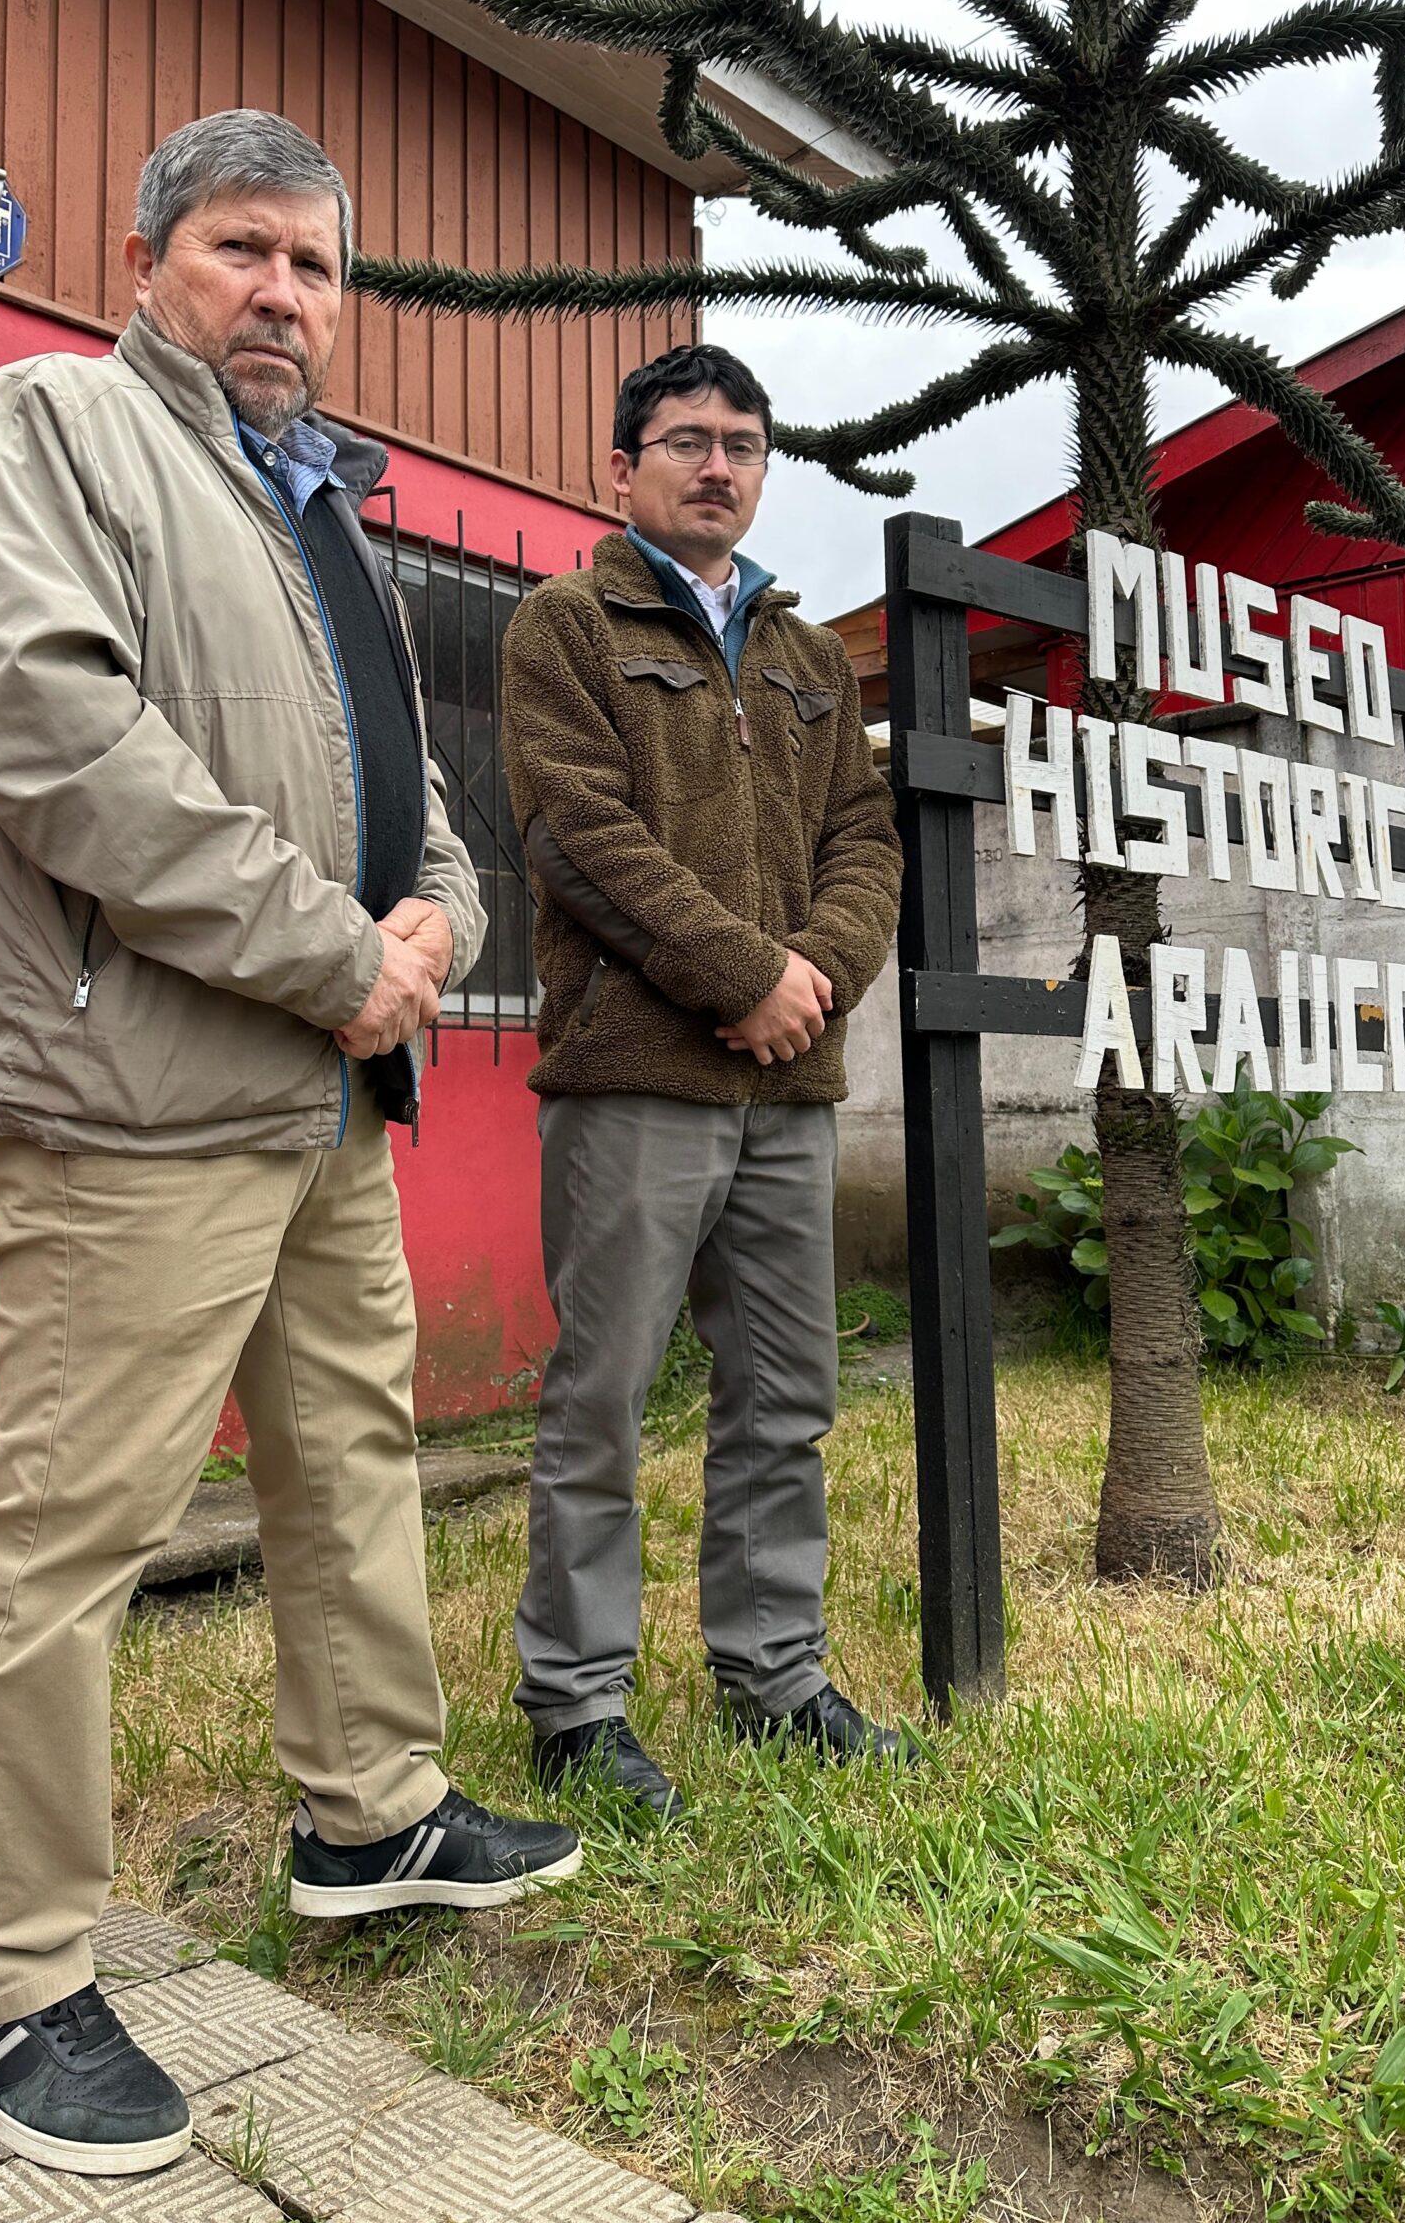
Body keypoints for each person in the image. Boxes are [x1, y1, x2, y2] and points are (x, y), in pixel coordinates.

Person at [0, 110, 578, 2179]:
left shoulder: (326, 512)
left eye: (315, 263)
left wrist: (439, 919)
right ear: (146, 256)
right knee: (72, 1525)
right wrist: (334, 955)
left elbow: (418, 798)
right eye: (241, 248)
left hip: (320, 1100)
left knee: (354, 1454)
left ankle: (371, 1815)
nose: (283, 292)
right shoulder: (50, 429)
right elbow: (53, 735)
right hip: (140, 1100)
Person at [499, 342, 905, 1823]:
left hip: (789, 1088)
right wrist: (744, 976)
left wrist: (815, 979)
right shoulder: (566, 626)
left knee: (787, 1396)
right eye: (684, 440)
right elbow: (576, 838)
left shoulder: (808, 660)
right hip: (636, 1077)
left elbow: (866, 838)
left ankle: (777, 1674)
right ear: (624, 468)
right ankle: (577, 1703)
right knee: (602, 1398)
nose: (715, 463)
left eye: (741, 440)